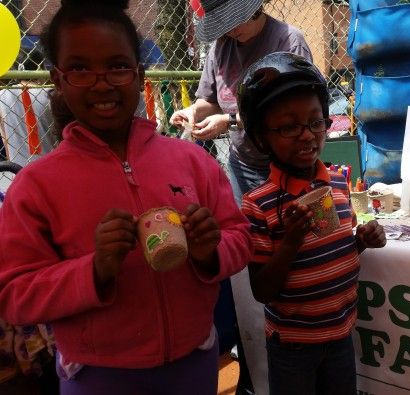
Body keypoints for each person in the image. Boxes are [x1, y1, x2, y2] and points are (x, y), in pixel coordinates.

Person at [0, 1, 253, 394]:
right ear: (58, 78)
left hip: (194, 363)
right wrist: (95, 270)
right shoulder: (36, 186)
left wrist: (210, 250)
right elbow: (14, 295)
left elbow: (240, 237)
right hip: (99, 378)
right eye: (80, 69)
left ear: (138, 75)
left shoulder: (190, 160)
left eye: (117, 66)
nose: (102, 82)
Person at [171, 3, 312, 390]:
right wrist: (193, 112)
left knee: (290, 248)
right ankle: (256, 345)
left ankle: (294, 333)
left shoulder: (287, 42)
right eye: (223, 27)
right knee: (251, 250)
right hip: (241, 164)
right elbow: (210, 99)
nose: (230, 34)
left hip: (284, 164)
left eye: (233, 25)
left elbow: (294, 111)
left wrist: (230, 121)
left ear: (254, 12)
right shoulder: (221, 46)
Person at [238, 52, 386, 395]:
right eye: (288, 127)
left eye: (315, 122)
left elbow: (334, 246)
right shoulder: (258, 205)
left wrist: (361, 239)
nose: (306, 135)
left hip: (340, 335)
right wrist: (290, 240)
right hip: (293, 346)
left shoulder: (336, 182)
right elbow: (262, 290)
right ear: (262, 138)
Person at [0, 49, 58, 167]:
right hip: (49, 163)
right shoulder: (50, 94)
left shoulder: (2, 95)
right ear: (39, 69)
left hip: (17, 168)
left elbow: (4, 136)